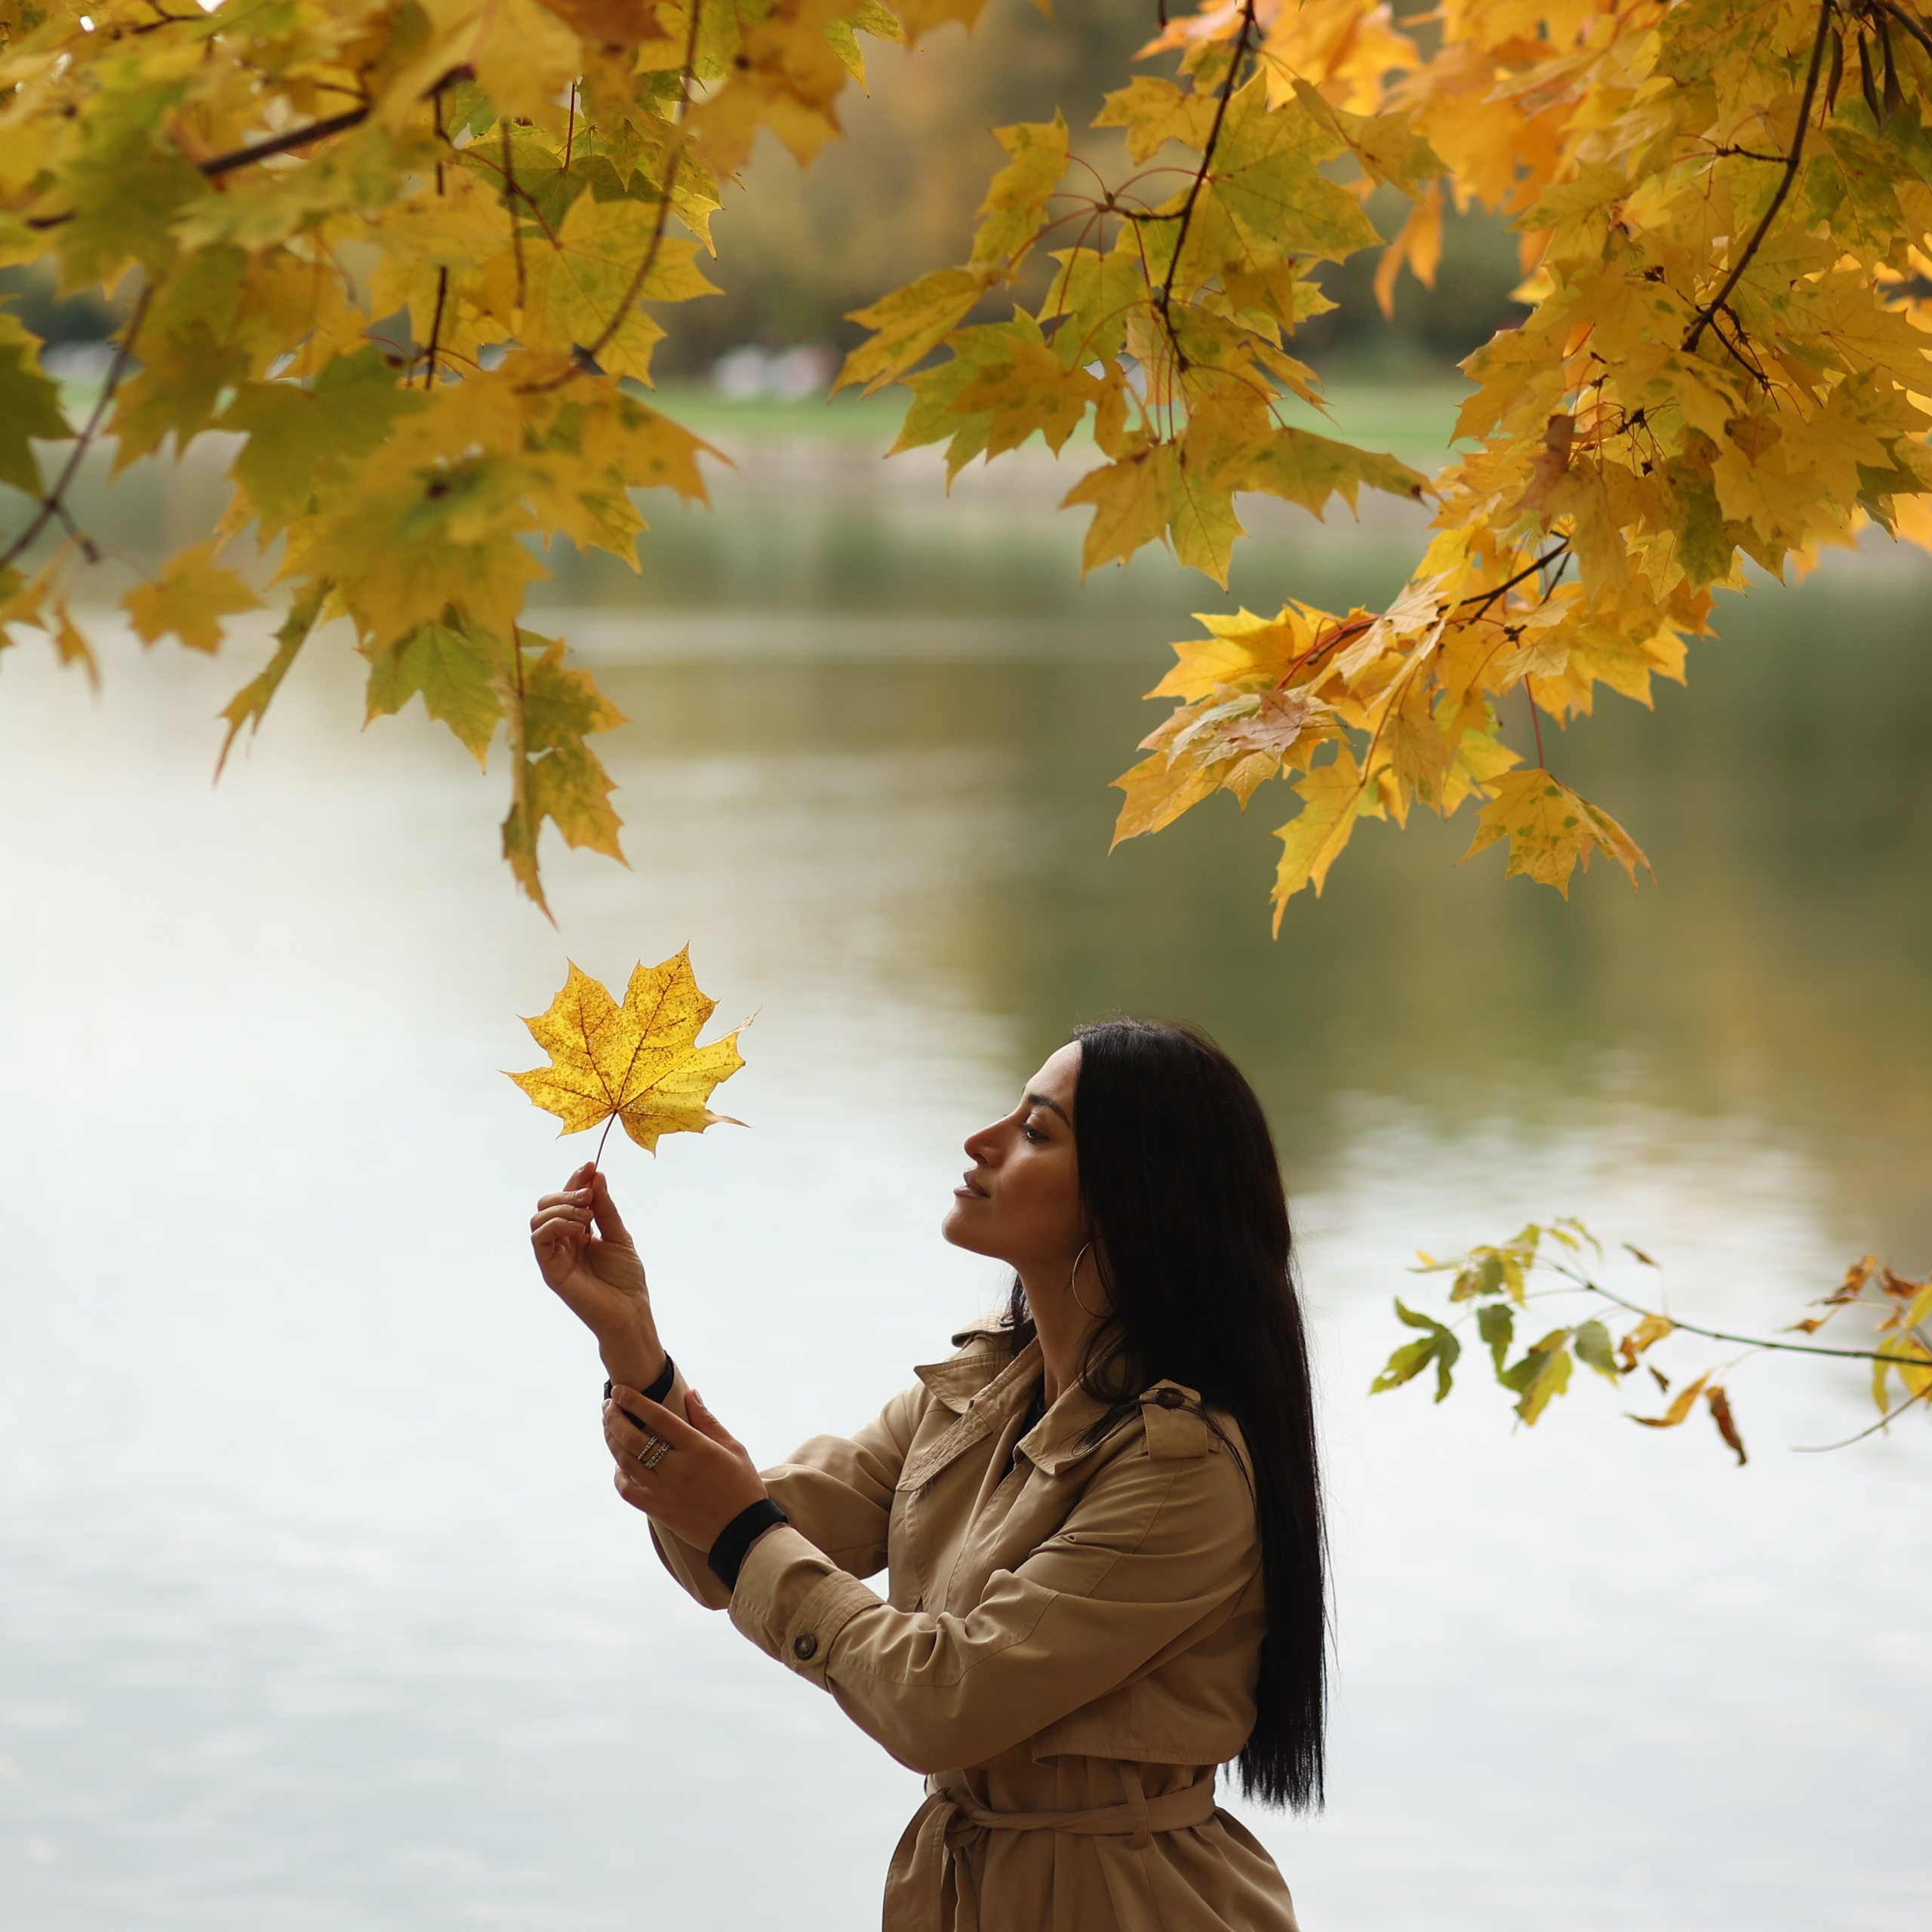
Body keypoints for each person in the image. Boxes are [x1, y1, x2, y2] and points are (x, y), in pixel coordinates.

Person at [530, 1018, 1326, 1931]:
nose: (979, 1141)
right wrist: (631, 1344)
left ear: (1131, 1198)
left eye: (1035, 1131)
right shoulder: (984, 1388)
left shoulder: (1180, 1470)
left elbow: (942, 1704)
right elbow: (722, 1554)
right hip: (956, 1893)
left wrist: (743, 1525)